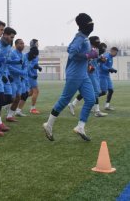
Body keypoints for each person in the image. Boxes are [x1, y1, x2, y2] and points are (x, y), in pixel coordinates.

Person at [43, 13, 96, 141]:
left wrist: (88, 62)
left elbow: (69, 49)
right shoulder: (80, 37)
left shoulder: (84, 37)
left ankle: (80, 127)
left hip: (83, 74)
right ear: (84, 25)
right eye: (90, 23)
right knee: (65, 100)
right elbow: (72, 52)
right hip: (75, 75)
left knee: (90, 99)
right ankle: (48, 125)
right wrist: (89, 55)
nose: (92, 25)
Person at [67, 36, 108, 117]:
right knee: (96, 91)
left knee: (90, 91)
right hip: (90, 73)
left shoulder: (95, 51)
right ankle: (95, 110)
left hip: (94, 73)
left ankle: (73, 104)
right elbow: (86, 59)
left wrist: (101, 59)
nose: (103, 49)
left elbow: (96, 59)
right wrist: (89, 66)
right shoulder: (88, 49)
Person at [6, 39, 28, 120]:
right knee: (11, 98)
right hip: (11, 79)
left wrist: (24, 72)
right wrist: (20, 72)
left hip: (19, 79)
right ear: (15, 45)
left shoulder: (23, 55)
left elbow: (25, 65)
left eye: (23, 43)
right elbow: (8, 66)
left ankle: (10, 116)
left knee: (18, 98)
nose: (22, 45)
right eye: (20, 43)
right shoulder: (12, 53)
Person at [28, 39, 42, 114]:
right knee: (36, 91)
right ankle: (32, 108)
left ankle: (13, 101)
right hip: (31, 76)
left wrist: (38, 67)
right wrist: (32, 75)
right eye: (37, 43)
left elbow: (33, 64)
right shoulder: (31, 54)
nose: (38, 45)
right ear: (34, 44)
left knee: (30, 93)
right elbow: (28, 66)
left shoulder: (35, 53)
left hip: (33, 75)